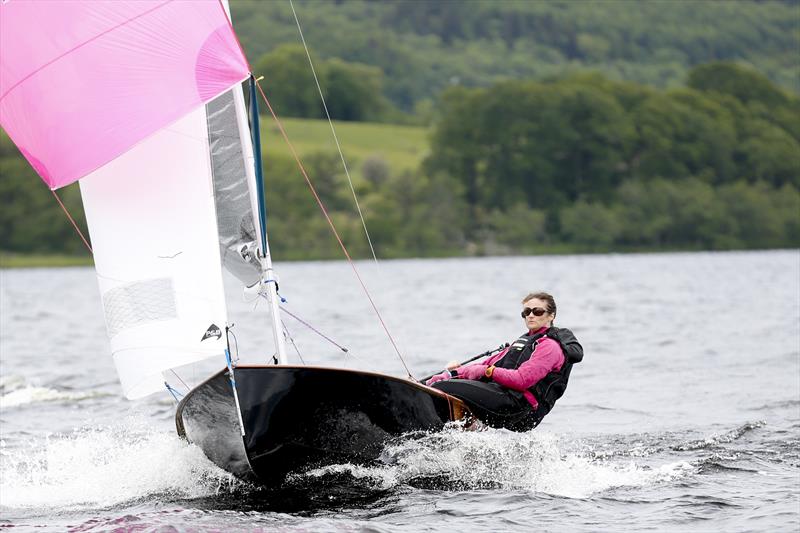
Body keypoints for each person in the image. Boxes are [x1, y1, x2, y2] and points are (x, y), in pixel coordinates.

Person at [426, 292, 583, 431]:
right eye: (527, 311)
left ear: (551, 315)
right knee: (441, 384)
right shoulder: (524, 341)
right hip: (504, 397)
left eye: (537, 311)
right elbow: (483, 365)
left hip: (520, 408)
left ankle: (435, 431)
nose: (531, 315)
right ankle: (461, 432)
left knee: (442, 388)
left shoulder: (550, 346)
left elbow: (522, 380)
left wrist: (488, 371)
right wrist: (450, 374)